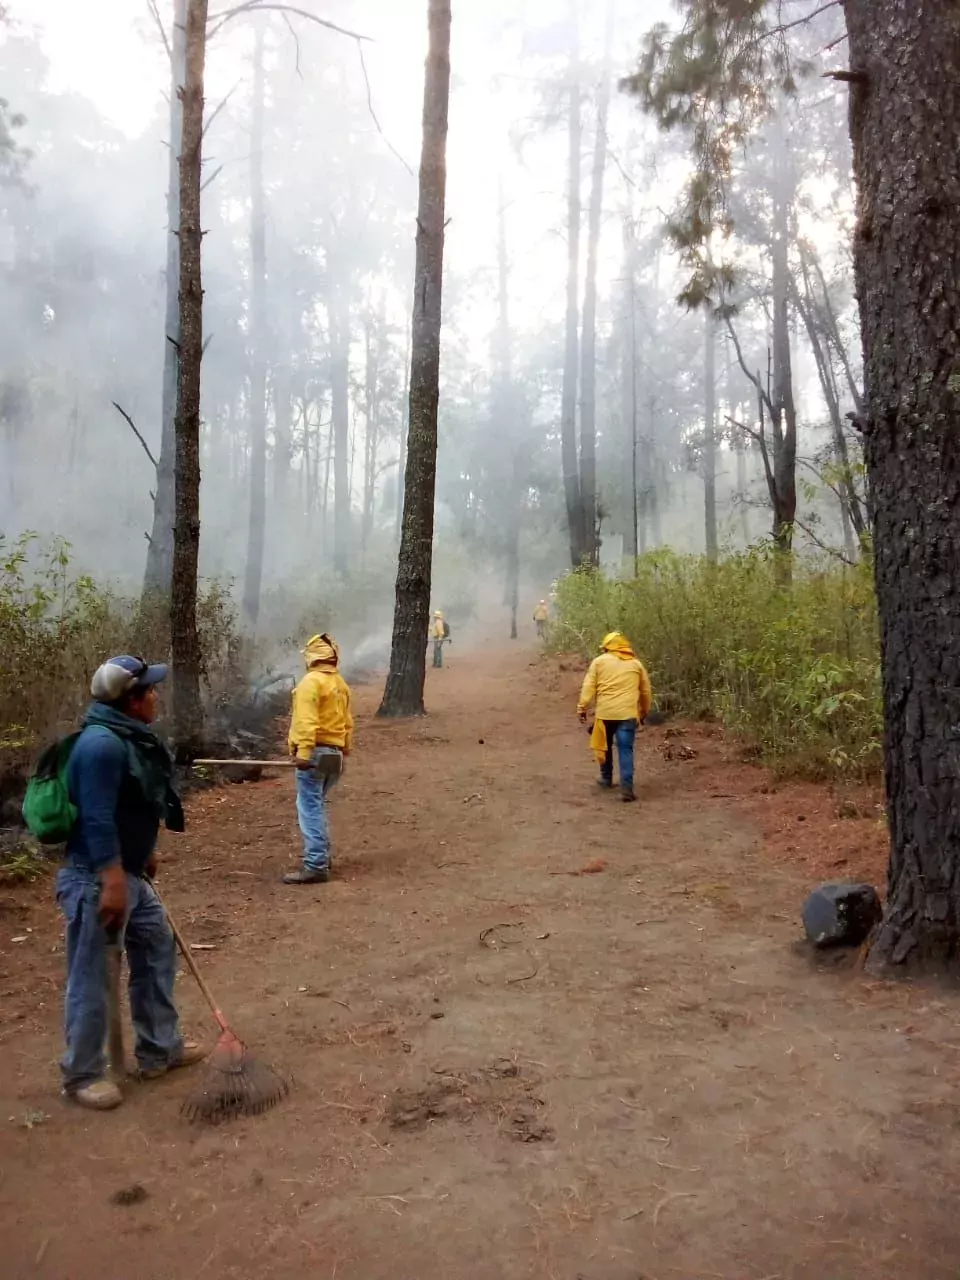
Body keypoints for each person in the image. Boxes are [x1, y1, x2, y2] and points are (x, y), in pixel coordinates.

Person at [56, 655, 203, 1111]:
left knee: (156, 947)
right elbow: (97, 819)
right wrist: (113, 877)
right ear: (131, 700)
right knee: (94, 974)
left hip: (128, 872)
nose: (157, 696)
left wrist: (143, 853)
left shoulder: (127, 738)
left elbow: (131, 804)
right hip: (97, 878)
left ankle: (159, 1048)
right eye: (150, 690)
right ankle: (82, 1074)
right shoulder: (100, 747)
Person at [284, 633, 354, 885]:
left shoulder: (310, 683)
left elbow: (306, 722)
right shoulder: (339, 684)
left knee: (309, 806)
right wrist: (345, 748)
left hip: (315, 753)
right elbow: (347, 722)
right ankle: (322, 856)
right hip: (334, 755)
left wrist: (303, 754)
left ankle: (316, 864)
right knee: (317, 804)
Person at [576, 632, 653, 803]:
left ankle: (606, 778)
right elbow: (646, 691)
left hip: (605, 713)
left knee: (604, 745)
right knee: (625, 749)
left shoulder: (599, 662)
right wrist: (644, 712)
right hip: (627, 715)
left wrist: (582, 708)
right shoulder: (636, 664)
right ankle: (627, 788)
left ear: (607, 646)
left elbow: (588, 687)